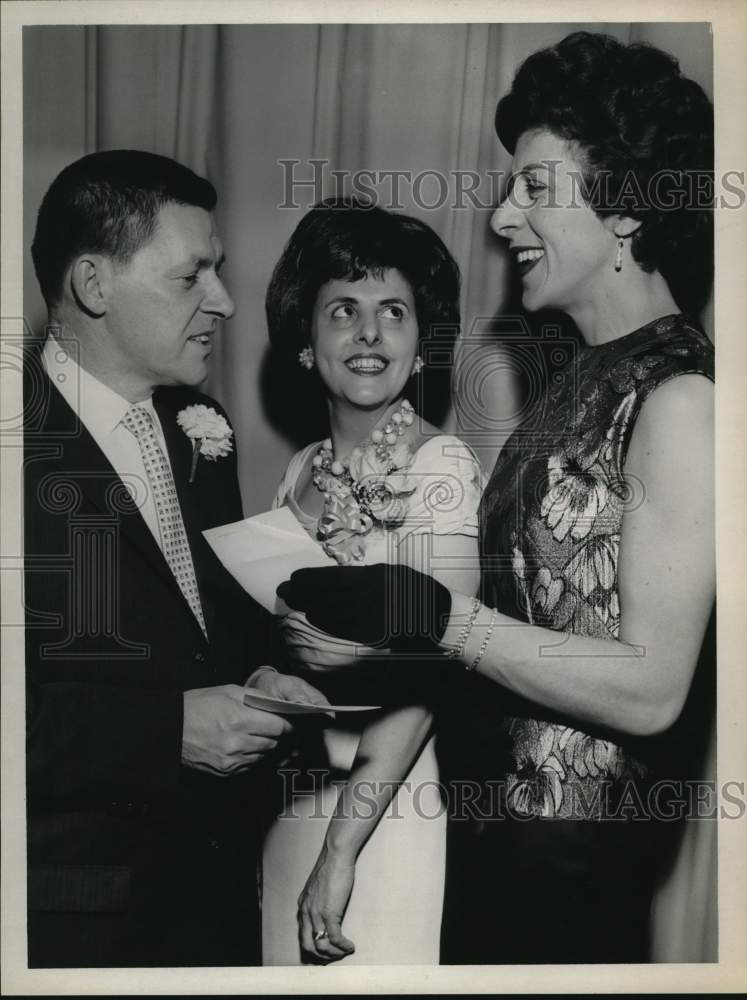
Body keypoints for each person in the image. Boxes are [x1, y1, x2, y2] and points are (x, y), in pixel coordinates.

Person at [278, 31, 715, 963]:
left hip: (573, 890)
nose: (501, 215)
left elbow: (652, 692)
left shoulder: (680, 400)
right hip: (497, 865)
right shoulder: (574, 385)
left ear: (628, 207)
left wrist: (436, 617)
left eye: (536, 187)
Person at [23, 149, 327, 967]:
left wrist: (262, 676)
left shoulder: (204, 430)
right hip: (72, 922)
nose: (224, 303)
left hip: (214, 898)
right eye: (192, 276)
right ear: (94, 284)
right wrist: (165, 732)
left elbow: (201, 631)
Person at [253, 198, 483, 964]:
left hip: (388, 810)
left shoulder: (439, 467)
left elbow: (430, 673)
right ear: (305, 339)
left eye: (393, 311)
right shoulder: (297, 473)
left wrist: (340, 852)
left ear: (421, 344)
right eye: (342, 310)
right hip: (295, 796)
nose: (369, 333)